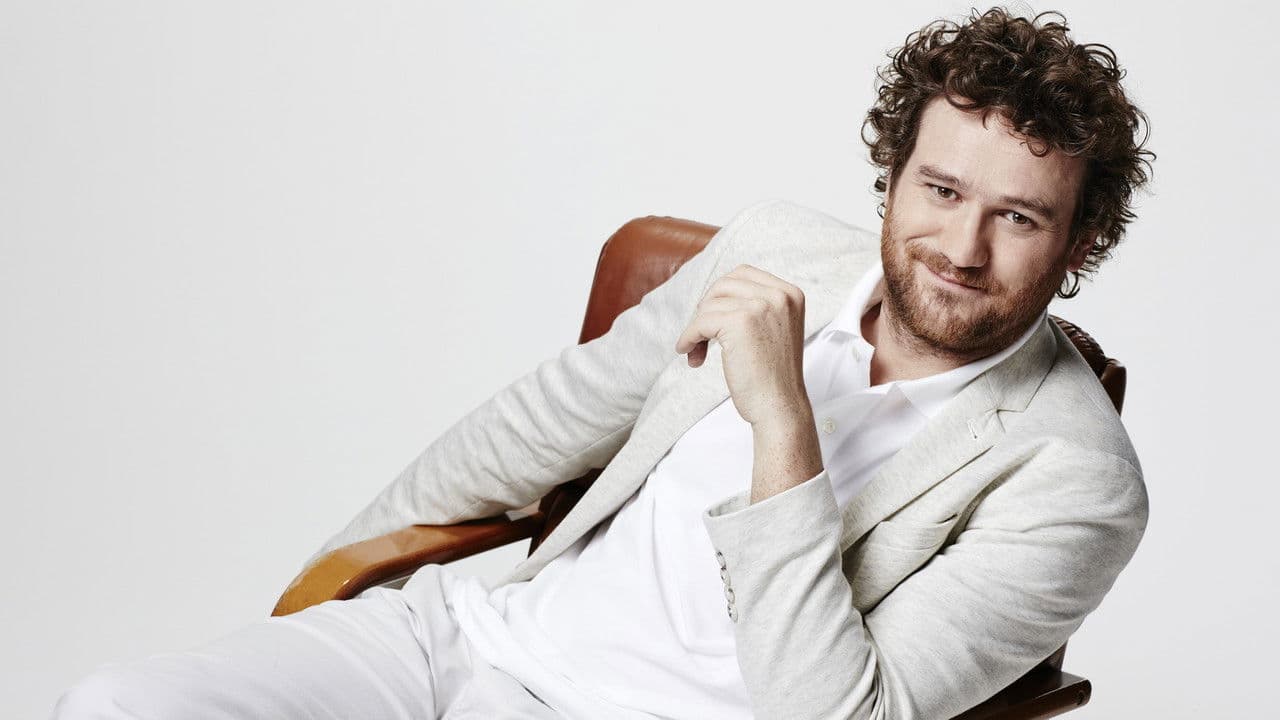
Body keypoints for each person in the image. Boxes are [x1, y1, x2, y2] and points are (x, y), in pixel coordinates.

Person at [53, 7, 1153, 719]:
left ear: (1080, 242)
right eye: (940, 190)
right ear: (893, 175)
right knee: (115, 705)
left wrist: (782, 424)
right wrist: (326, 589)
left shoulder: (1074, 481)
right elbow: (535, 427)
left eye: (1018, 217)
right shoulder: (774, 251)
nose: (961, 247)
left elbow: (840, 715)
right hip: (471, 647)